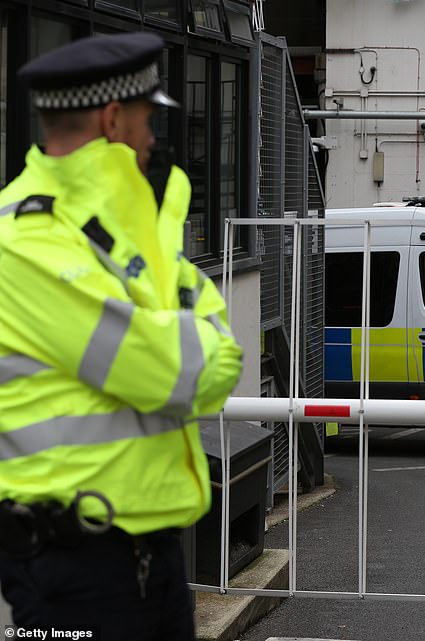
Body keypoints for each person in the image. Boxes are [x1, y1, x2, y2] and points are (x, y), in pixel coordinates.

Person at [0, 32, 243, 641]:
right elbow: (185, 371)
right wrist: (184, 331)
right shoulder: (24, 243)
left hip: (147, 555)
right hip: (70, 569)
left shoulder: (112, 225)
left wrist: (184, 336)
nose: (153, 138)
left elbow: (216, 354)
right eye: (146, 120)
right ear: (113, 119)